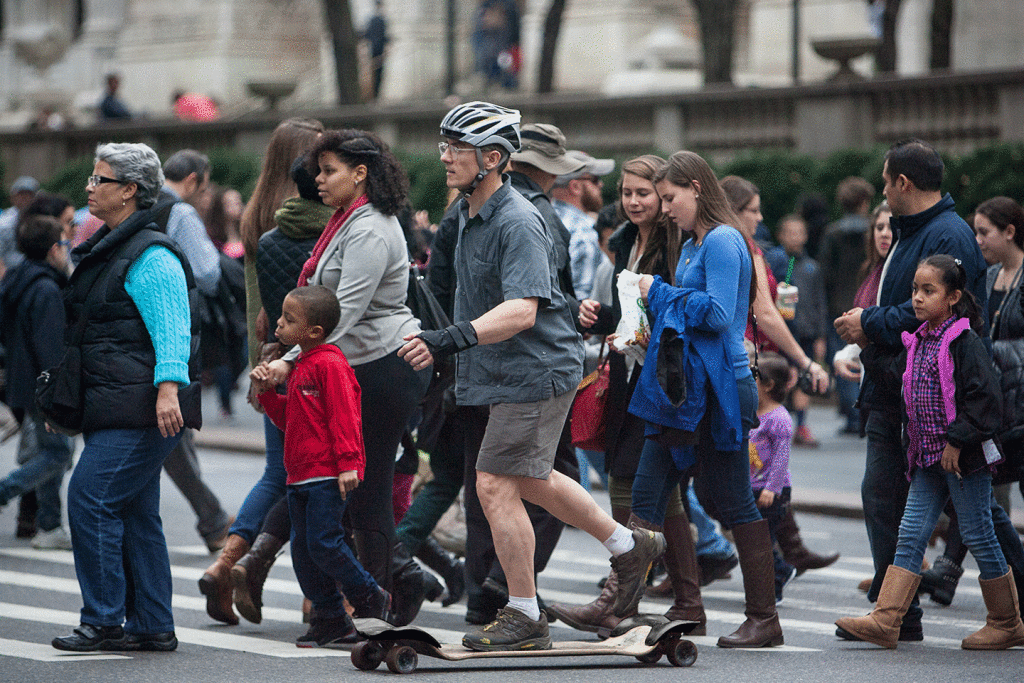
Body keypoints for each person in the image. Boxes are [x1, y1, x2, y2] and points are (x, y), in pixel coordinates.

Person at [399, 101, 665, 651]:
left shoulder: (519, 220)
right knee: (530, 478)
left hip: (536, 369)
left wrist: (449, 340)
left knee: (494, 483)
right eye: (444, 145)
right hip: (503, 369)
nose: (445, 157)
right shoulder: (471, 214)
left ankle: (524, 613)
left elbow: (522, 310)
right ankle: (628, 546)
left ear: (493, 158)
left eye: (457, 148)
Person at [264, 129, 433, 627]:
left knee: (369, 491)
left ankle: (381, 606)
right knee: (353, 495)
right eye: (318, 170)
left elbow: (347, 312)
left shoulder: (370, 228)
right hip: (357, 364)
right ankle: (396, 582)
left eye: (328, 170)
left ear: (360, 174)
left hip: (383, 366)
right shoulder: (347, 218)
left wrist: (288, 361)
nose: (318, 180)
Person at [834, 138, 988, 643]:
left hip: (929, 397)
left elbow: (938, 310)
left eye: (886, 180)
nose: (882, 188)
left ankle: (1007, 612)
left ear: (903, 183)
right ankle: (895, 614)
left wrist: (869, 322)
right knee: (888, 498)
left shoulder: (947, 234)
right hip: (897, 387)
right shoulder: (911, 231)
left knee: (973, 514)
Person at [628, 150, 781, 649]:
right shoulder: (695, 242)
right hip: (694, 388)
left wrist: (658, 293)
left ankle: (758, 617)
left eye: (670, 197)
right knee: (658, 488)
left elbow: (716, 316)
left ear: (697, 188)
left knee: (718, 496)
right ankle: (682, 607)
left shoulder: (719, 240)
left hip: (715, 388)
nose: (665, 208)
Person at [548, 155, 707, 636]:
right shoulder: (621, 240)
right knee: (663, 493)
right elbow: (624, 309)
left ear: (665, 195)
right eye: (628, 193)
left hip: (661, 376)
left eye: (645, 193)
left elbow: (685, 308)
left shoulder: (677, 242)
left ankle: (619, 602)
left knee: (629, 483)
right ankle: (686, 603)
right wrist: (595, 316)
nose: (635, 202)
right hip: (622, 373)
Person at [52, 142, 201, 652]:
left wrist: (167, 391)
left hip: (140, 408)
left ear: (130, 191)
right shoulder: (117, 244)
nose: (89, 189)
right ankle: (153, 624)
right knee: (135, 513)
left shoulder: (151, 253)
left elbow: (172, 331)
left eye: (100, 180)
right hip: (119, 402)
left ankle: (104, 619)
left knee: (89, 499)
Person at [836, 255, 1024, 650]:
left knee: (979, 532)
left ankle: (1007, 621)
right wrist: (866, 346)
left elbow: (984, 399)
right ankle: (888, 619)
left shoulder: (965, 342)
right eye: (914, 291)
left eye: (928, 291)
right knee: (910, 533)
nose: (918, 299)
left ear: (953, 297)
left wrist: (958, 440)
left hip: (963, 461)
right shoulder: (920, 340)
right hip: (926, 458)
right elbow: (894, 370)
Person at [198, 118, 325, 627]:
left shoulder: (256, 216)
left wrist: (259, 367)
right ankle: (314, 596)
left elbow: (259, 307)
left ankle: (227, 563)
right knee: (313, 474)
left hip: (268, 355)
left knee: (280, 472)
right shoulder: (312, 220)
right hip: (306, 357)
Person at [252, 286, 390, 647]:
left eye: (288, 320)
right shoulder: (303, 366)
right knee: (303, 550)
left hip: (326, 474)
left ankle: (369, 594)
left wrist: (349, 465)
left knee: (324, 543)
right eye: (281, 317)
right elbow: (291, 419)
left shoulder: (330, 364)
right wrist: (267, 393)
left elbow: (345, 417)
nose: (278, 325)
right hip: (299, 476)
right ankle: (330, 619)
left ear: (313, 333)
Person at [720, 175, 839, 577]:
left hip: (753, 364)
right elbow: (765, 313)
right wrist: (804, 361)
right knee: (729, 478)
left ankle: (781, 557)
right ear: (735, 211)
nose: (760, 216)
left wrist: (802, 358)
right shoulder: (734, 246)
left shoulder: (749, 248)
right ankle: (778, 557)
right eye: (752, 209)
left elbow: (770, 313)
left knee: (745, 471)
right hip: (739, 365)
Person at [917, 197, 1024, 608]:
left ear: (1010, 231)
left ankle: (949, 570)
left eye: (985, 231)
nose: (977, 240)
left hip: (1016, 401)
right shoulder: (990, 275)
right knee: (981, 492)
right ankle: (948, 572)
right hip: (993, 401)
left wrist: (989, 354)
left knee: (983, 494)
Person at [150, 150, 232, 553]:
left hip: (129, 332)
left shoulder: (139, 201)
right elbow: (208, 274)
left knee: (167, 433)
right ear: (197, 178)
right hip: (170, 330)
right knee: (171, 431)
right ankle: (213, 518)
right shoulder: (179, 213)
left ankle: (212, 518)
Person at [0, 215, 74, 550]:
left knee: (51, 451)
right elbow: (51, 347)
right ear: (53, 248)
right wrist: (59, 390)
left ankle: (49, 525)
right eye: (63, 240)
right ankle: (5, 491)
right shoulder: (46, 288)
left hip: (23, 382)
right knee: (58, 454)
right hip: (44, 385)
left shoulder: (18, 279)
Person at [765, 214, 828, 447]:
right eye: (790, 232)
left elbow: (820, 301)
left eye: (800, 232)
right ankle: (774, 425)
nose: (796, 237)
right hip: (779, 330)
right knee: (778, 377)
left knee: (804, 379)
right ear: (780, 235)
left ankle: (801, 426)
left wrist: (821, 333)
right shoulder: (774, 261)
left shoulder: (812, 267)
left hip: (806, 331)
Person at [819, 177, 876, 433]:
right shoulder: (874, 231)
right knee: (866, 356)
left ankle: (851, 415)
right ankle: (865, 412)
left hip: (838, 304)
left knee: (842, 357)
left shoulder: (832, 234)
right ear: (864, 202)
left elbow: (825, 272)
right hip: (867, 302)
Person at [748, 352, 798, 603]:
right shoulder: (751, 411)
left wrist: (772, 488)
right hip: (753, 486)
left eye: (752, 377)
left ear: (767, 385)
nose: (746, 380)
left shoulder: (779, 419)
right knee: (757, 539)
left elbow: (781, 458)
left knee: (764, 540)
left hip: (771, 491)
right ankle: (782, 570)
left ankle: (775, 582)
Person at [550, 150, 615, 300]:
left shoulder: (539, 217)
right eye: (595, 179)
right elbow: (583, 301)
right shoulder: (586, 231)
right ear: (575, 187)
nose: (601, 184)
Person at [0, 175, 40, 275]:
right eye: (21, 194)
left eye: (29, 194)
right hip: (10, 276)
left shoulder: (40, 218)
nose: (25, 198)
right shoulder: (5, 223)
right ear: (12, 197)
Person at [363, 0, 390, 99]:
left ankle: (375, 95)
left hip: (377, 51)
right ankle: (374, 95)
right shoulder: (377, 20)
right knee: (376, 73)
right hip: (376, 51)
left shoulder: (377, 20)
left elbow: (368, 35)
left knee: (377, 73)